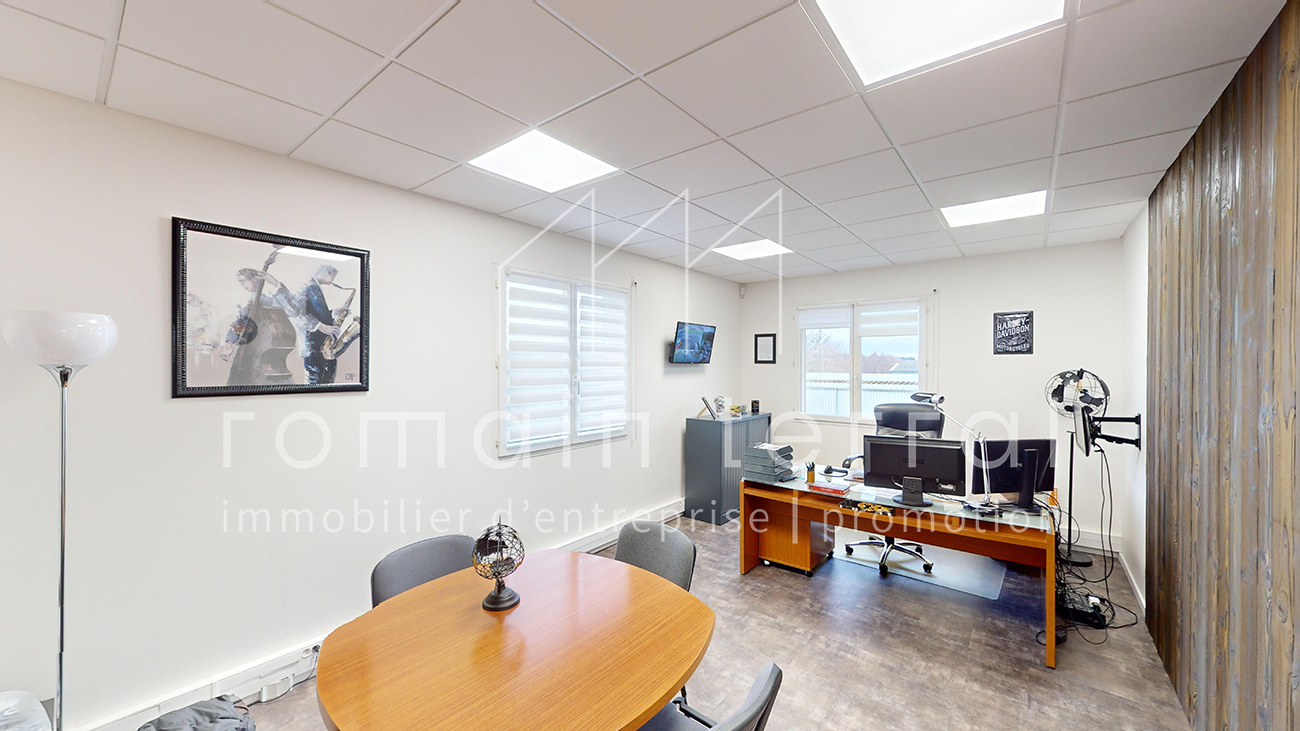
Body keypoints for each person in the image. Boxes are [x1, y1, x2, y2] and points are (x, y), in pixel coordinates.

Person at [296, 265, 342, 385]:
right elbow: (296, 313)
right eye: (333, 275)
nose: (333, 279)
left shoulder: (314, 287)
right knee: (314, 384)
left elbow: (317, 313)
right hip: (313, 346)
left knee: (325, 383)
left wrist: (334, 313)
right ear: (326, 272)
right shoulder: (307, 286)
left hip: (321, 346)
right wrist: (318, 326)